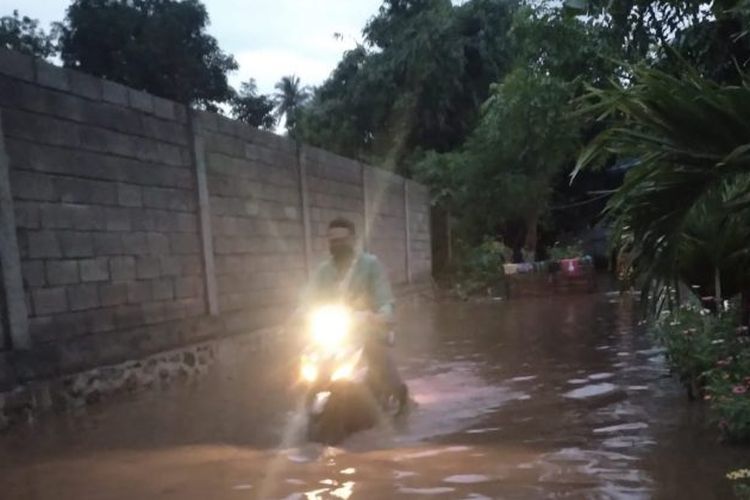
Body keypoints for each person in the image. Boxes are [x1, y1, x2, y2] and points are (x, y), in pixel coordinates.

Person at [297, 217, 407, 407]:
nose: (337, 245)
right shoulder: (323, 271)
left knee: (379, 359)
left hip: (369, 330)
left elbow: (385, 299)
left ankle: (397, 398)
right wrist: (298, 315)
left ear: (352, 240)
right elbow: (307, 298)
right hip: (334, 334)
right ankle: (308, 407)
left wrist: (381, 315)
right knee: (307, 365)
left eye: (342, 240)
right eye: (333, 241)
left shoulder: (370, 265)